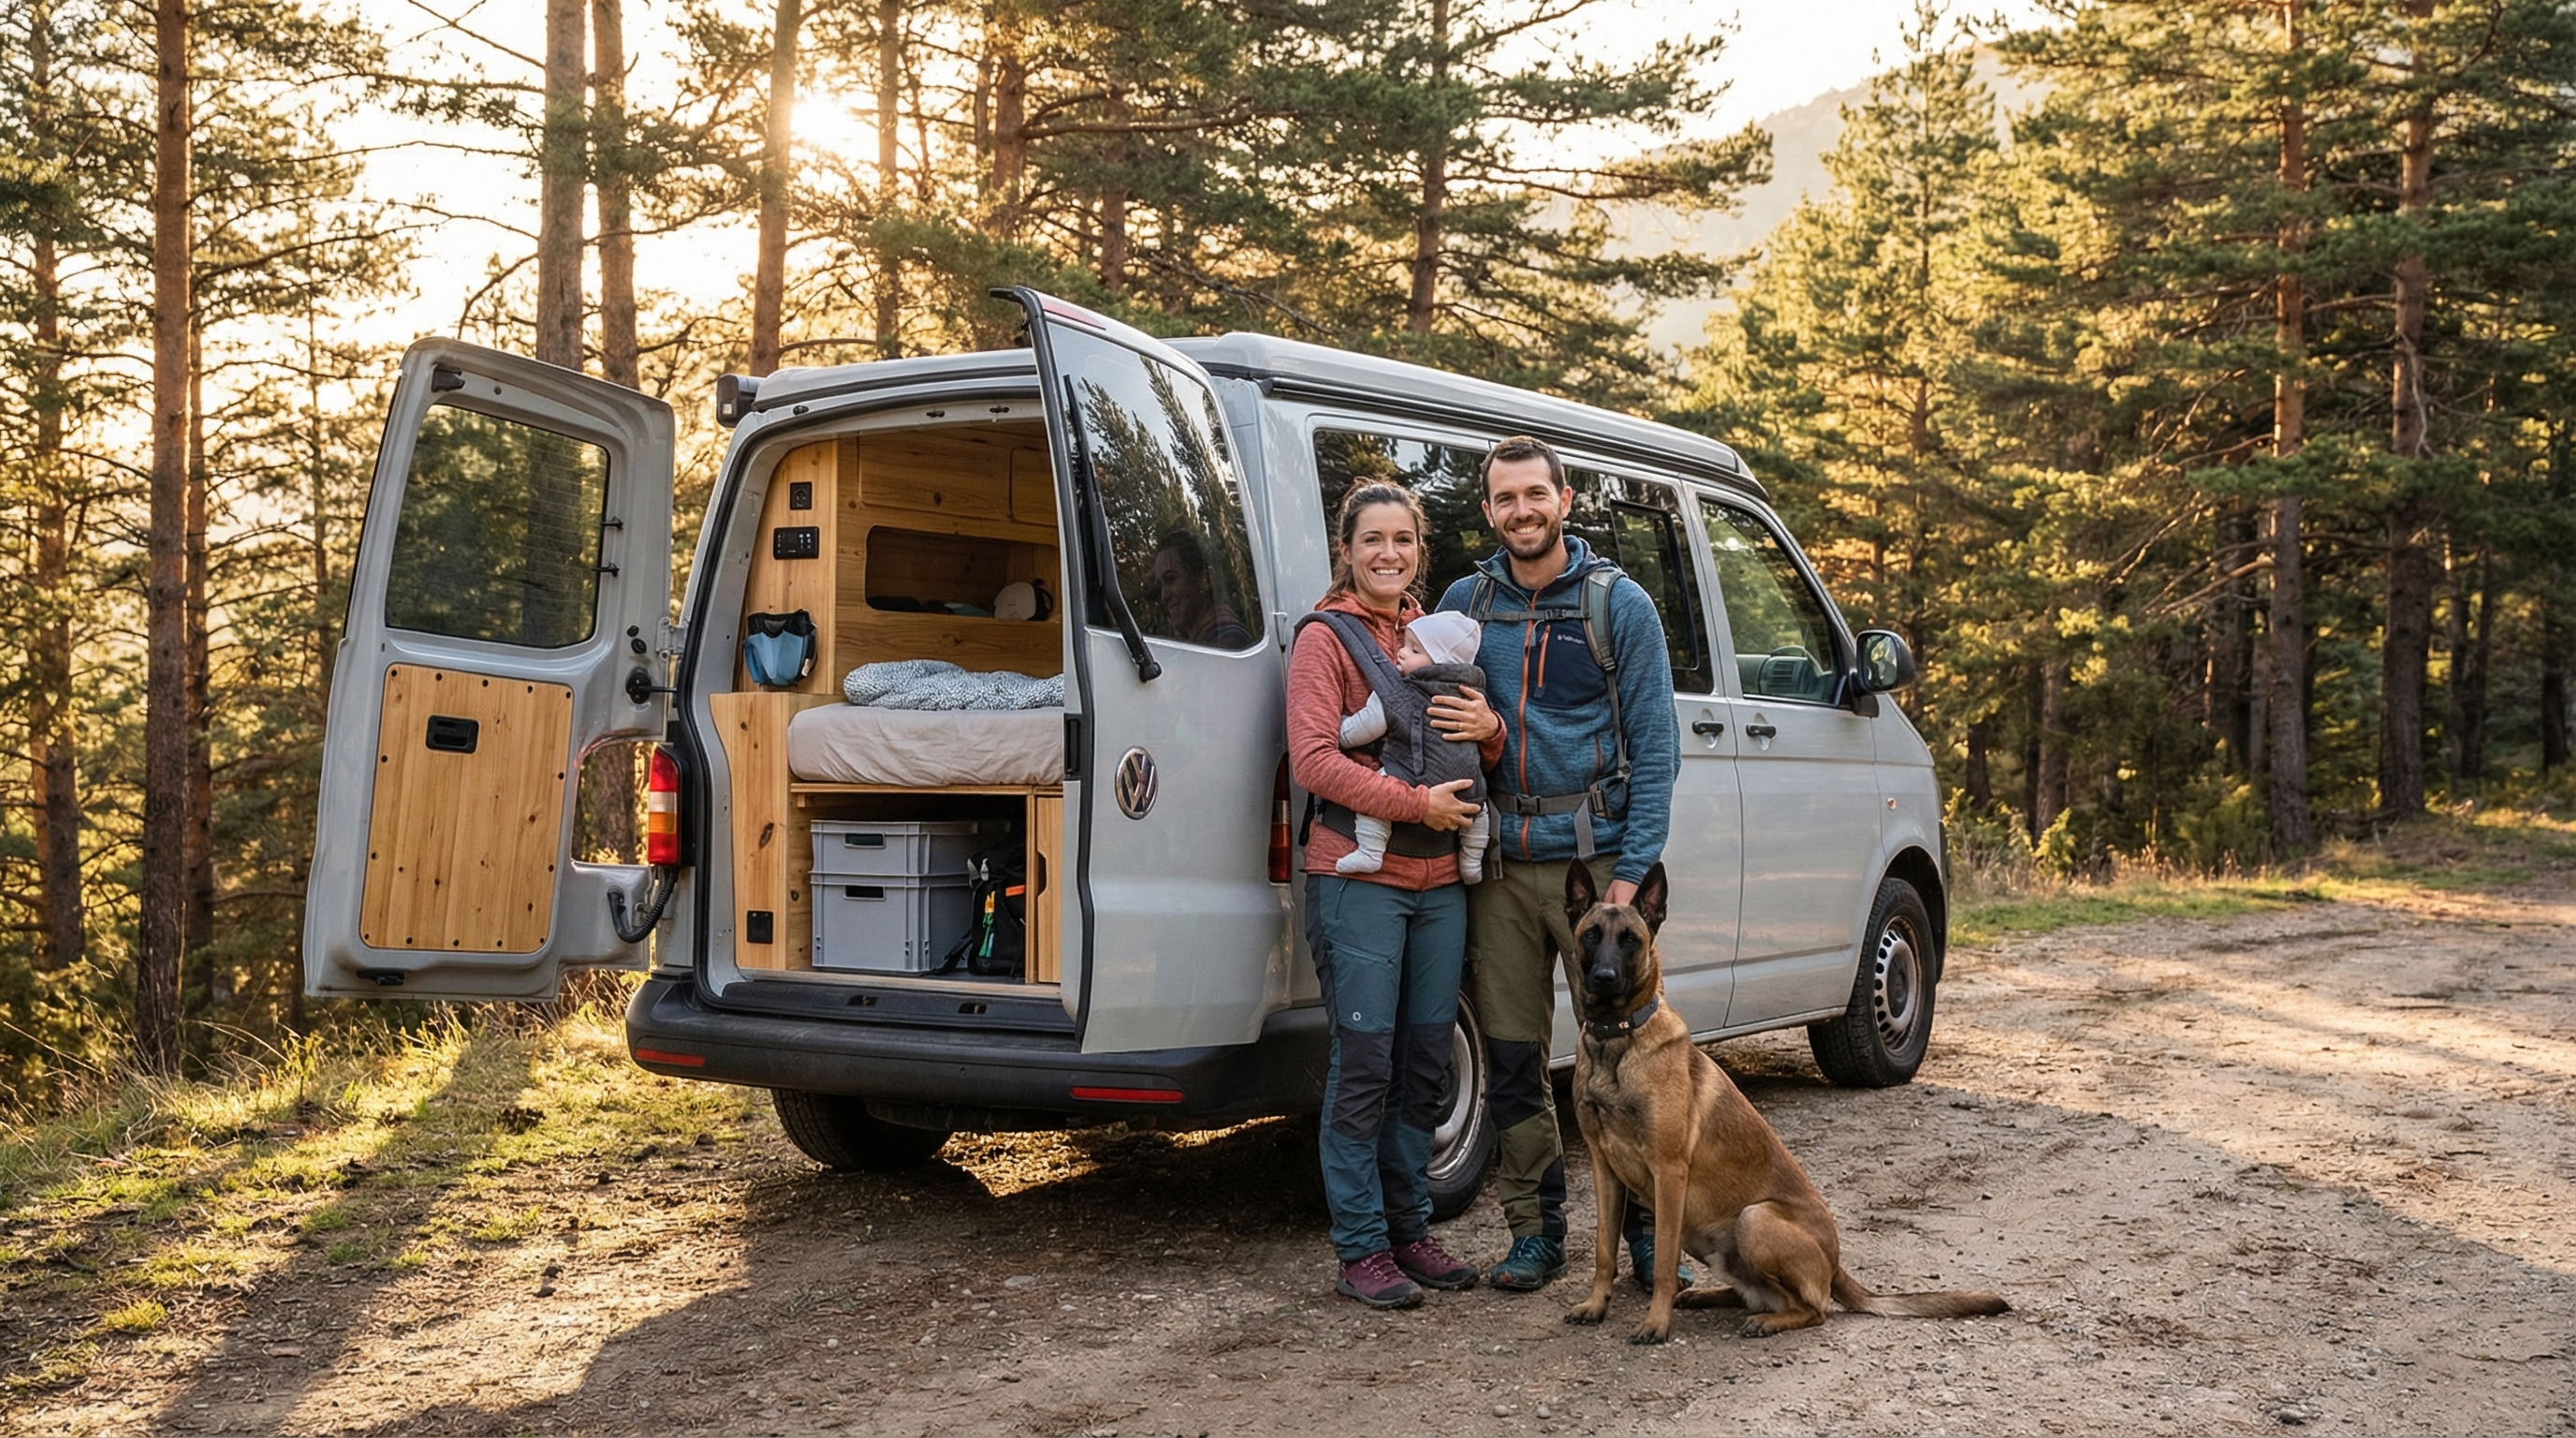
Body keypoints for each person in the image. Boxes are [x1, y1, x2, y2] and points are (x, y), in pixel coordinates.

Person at [1434, 434, 1683, 1294]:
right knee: (1511, 1058)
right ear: (1489, 509)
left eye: (1535, 494)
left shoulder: (1621, 606)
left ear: (1564, 500)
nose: (1522, 511)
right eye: (1505, 499)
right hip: (1501, 865)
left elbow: (1656, 750)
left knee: (1634, 1063)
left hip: (1599, 872)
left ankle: (1650, 1240)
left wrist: (1631, 875)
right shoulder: (1465, 603)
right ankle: (1535, 1234)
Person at [1286, 481, 1505, 1310]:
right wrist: (1416, 805)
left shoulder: (1435, 638)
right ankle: (1361, 1247)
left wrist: (1493, 733)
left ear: (1420, 550)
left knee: (1423, 1063)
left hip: (1441, 882)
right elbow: (1313, 760)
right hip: (1359, 880)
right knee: (1366, 1062)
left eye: (1404, 540)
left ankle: (1411, 1228)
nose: (1389, 553)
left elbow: (1473, 752)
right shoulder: (1324, 640)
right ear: (1347, 548)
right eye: (1373, 539)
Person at [1332, 609, 1495, 884]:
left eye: (1415, 650)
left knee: (1377, 793)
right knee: (1479, 814)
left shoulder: (1403, 693)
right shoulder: (1474, 695)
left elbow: (1360, 730)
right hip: (1470, 784)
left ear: (1440, 662)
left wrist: (1340, 726)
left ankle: (1371, 850)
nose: (1402, 653)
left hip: (1416, 777)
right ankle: (1470, 863)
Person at [1150, 530, 1255, 649]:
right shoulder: (1195, 643)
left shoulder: (1227, 643)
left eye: (1171, 578)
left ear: (1205, 579)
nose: (1164, 596)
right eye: (1160, 585)